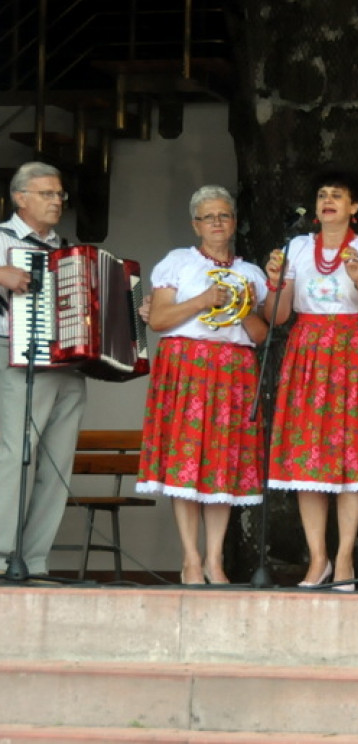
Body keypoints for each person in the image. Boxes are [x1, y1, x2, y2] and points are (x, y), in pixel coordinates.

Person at [265, 167, 358, 589]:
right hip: (309, 352)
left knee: (352, 456)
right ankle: (317, 558)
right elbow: (278, 317)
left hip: (356, 351)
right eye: (322, 194)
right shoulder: (298, 248)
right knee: (309, 457)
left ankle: (344, 560)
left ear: (354, 208)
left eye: (338, 195)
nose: (328, 200)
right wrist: (274, 283)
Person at [136, 186, 268, 585]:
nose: (216, 223)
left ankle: (215, 559)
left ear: (233, 223)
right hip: (187, 365)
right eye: (208, 217)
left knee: (223, 464)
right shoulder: (178, 263)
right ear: (196, 224)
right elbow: (158, 320)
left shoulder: (251, 274)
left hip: (233, 370)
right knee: (186, 460)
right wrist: (204, 300)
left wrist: (242, 307)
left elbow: (261, 335)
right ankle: (191, 558)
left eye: (224, 216)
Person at [0, 162, 85, 577]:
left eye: (59, 195)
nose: (57, 201)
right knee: (16, 454)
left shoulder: (67, 249)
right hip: (15, 356)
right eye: (47, 194)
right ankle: (1, 555)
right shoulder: (1, 238)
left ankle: (33, 560)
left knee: (56, 462)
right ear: (20, 198)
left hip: (67, 364)